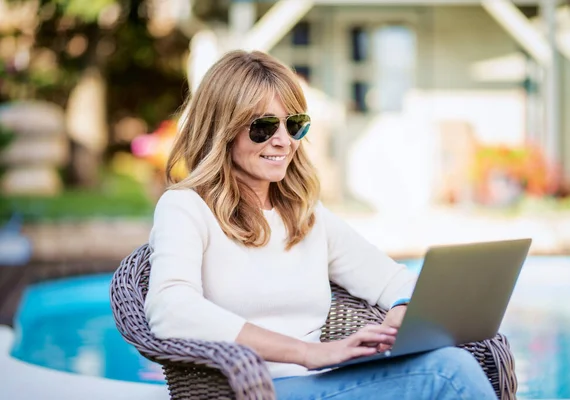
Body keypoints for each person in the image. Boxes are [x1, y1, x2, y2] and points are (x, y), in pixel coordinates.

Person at [144, 50, 497, 399]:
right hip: (252, 388)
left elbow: (394, 280)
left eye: (294, 124)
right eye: (264, 127)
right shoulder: (185, 208)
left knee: (453, 362)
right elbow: (170, 308)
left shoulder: (305, 215)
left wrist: (401, 312)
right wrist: (308, 353)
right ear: (222, 130)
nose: (283, 140)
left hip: (321, 384)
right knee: (449, 374)